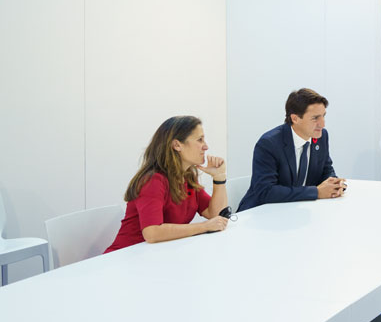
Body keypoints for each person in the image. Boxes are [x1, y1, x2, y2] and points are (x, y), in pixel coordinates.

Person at [105, 116, 228, 253]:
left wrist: (219, 178)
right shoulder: (152, 181)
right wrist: (204, 227)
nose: (206, 146)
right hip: (123, 257)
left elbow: (217, 215)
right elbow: (152, 232)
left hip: (156, 255)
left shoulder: (187, 177)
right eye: (200, 140)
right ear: (177, 145)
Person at [237, 88, 345, 211]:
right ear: (295, 118)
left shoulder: (321, 136)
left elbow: (326, 170)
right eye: (315, 118)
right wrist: (316, 192)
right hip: (261, 212)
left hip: (296, 210)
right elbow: (266, 191)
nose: (323, 124)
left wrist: (334, 185)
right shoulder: (269, 143)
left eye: (323, 116)